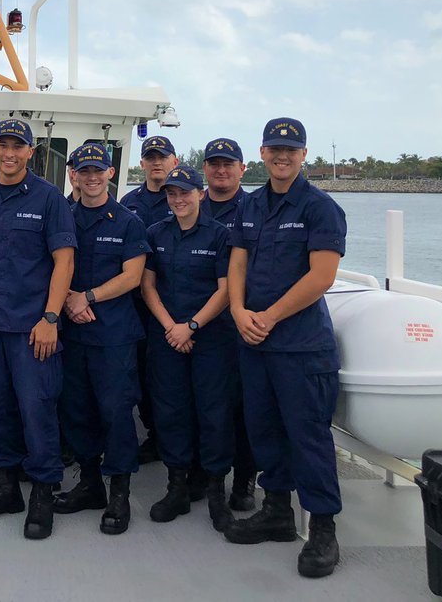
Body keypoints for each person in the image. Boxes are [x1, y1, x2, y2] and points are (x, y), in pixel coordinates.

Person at [224, 118, 346, 579]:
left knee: (308, 437)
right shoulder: (250, 204)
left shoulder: (320, 208)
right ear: (262, 152)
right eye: (275, 148)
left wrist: (269, 317)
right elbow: (238, 262)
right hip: (254, 342)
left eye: (290, 150)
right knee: (265, 431)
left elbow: (322, 276)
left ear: (303, 155)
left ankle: (323, 530)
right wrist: (238, 310)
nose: (282, 156)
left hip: (300, 347)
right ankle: (276, 512)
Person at [0, 119, 76, 541]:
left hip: (32, 328)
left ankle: (42, 492)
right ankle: (6, 487)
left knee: (36, 408)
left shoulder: (48, 198)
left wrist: (51, 318)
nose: (9, 153)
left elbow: (64, 261)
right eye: (2, 145)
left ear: (30, 151)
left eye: (17, 146)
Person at [52, 142, 149, 536]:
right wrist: (69, 301)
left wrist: (86, 297)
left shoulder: (128, 221)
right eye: (84, 171)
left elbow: (133, 276)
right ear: (73, 174)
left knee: (115, 412)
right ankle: (90, 484)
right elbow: (50, 264)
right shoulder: (63, 217)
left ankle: (119, 492)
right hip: (73, 332)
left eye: (98, 170)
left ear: (110, 173)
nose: (91, 177)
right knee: (76, 410)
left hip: (113, 336)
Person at [141, 164, 236, 532]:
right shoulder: (156, 233)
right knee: (171, 411)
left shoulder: (220, 235)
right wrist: (172, 327)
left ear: (201, 194)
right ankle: (177, 487)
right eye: (172, 193)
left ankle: (215, 493)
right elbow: (148, 286)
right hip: (168, 337)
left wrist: (192, 325)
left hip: (210, 338)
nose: (178, 199)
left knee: (213, 412)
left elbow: (225, 290)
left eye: (185, 192)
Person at [201, 137, 257, 512]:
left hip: (242, 325)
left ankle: (245, 479)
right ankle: (208, 479)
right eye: (215, 163)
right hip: (202, 326)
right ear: (205, 168)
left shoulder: (255, 209)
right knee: (210, 408)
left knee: (245, 409)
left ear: (242, 168)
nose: (221, 170)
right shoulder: (190, 204)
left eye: (229, 164)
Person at [119, 134, 180, 464]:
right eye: (151, 157)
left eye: (163, 156)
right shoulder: (129, 203)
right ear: (142, 163)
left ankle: (173, 440)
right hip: (136, 304)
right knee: (141, 373)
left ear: (175, 161)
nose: (157, 162)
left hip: (175, 302)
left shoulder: (185, 198)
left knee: (170, 380)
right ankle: (154, 435)